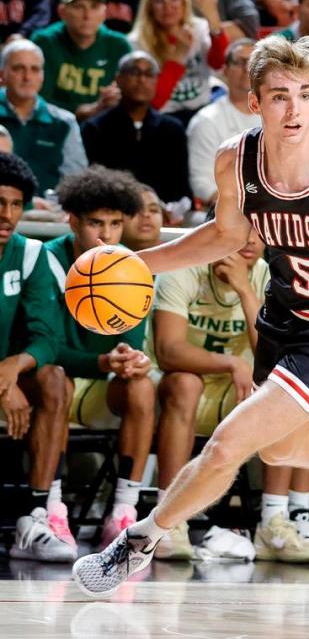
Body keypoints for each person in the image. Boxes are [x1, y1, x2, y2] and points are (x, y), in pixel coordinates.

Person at [72, 35, 309, 596]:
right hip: (282, 318)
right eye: (278, 97)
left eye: (304, 94)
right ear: (254, 102)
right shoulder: (235, 160)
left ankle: (137, 543)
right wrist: (136, 263)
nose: (293, 110)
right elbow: (225, 236)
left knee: (227, 443)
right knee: (283, 447)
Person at [150, 223, 293, 562]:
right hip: (171, 391)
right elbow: (169, 352)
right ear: (216, 231)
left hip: (236, 393)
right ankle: (166, 522)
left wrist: (245, 292)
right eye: (242, 230)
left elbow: (275, 359)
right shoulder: (182, 270)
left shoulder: (271, 278)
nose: (250, 240)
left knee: (286, 395)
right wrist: (229, 362)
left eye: (260, 232)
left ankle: (274, 521)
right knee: (186, 383)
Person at [45, 166, 157, 547]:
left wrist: (131, 359)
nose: (106, 235)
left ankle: (124, 512)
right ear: (73, 221)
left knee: (141, 386)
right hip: (51, 386)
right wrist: (100, 363)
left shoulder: (130, 267)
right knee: (56, 377)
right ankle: (52, 508)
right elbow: (45, 347)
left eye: (114, 223)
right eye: (96, 223)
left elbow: (130, 340)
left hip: (101, 385)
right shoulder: (47, 261)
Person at [0, 153, 73, 563]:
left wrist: (13, 367)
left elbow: (48, 337)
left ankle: (36, 515)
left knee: (54, 377)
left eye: (15, 205)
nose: (7, 215)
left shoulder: (30, 254)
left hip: (9, 377)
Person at [80, 51, 191, 204]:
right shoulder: (96, 128)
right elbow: (91, 183)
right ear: (118, 79)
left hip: (161, 214)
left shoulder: (172, 129)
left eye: (149, 74)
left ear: (156, 81)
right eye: (134, 72)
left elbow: (180, 186)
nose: (142, 80)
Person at [0, 40, 88, 194]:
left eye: (35, 69)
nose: (27, 77)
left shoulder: (64, 122)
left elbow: (76, 182)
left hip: (50, 214)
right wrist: (29, 204)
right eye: (18, 68)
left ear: (42, 76)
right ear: (2, 74)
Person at [128, 0, 229, 123]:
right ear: (149, 7)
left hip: (203, 110)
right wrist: (178, 56)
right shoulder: (136, 42)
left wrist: (214, 20)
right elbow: (154, 103)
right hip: (164, 117)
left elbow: (218, 64)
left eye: (174, 0)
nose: (168, 7)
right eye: (160, 2)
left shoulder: (199, 28)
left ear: (184, 3)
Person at [187, 38, 261, 208]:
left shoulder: (281, 115)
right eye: (240, 62)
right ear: (225, 70)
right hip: (225, 213)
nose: (247, 68)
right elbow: (202, 183)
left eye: (254, 63)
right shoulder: (206, 121)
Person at [30, 0, 132, 120]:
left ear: (104, 11)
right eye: (79, 7)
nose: (87, 16)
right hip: (53, 125)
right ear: (62, 12)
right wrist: (82, 111)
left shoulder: (119, 46)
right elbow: (37, 100)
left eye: (94, 7)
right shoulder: (44, 42)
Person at [122, 184, 164, 252]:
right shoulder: (104, 256)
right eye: (135, 209)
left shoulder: (181, 256)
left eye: (153, 210)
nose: (145, 214)